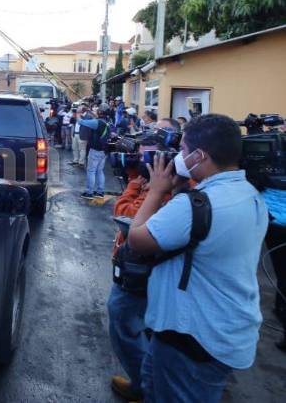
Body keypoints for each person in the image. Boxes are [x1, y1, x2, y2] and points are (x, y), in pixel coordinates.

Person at [128, 114, 269, 402]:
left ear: (199, 155)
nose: (178, 156)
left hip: (192, 336)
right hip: (223, 329)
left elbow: (137, 239)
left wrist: (156, 191)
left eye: (182, 150)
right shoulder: (249, 193)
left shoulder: (195, 205)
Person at [107, 118, 185, 401]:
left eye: (147, 157)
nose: (142, 162)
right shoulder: (154, 183)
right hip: (140, 267)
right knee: (146, 328)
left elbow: (125, 215)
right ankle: (145, 383)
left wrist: (139, 188)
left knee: (123, 320)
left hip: (142, 270)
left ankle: (144, 386)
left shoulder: (166, 190)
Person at [263, 187, 286, 351]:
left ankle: (281, 309)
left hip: (274, 220)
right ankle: (280, 307)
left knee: (283, 273)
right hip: (274, 219)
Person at [78, 109, 110, 199]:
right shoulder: (107, 122)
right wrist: (90, 112)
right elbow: (96, 118)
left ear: (99, 113)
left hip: (95, 150)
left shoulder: (97, 123)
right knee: (100, 171)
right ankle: (100, 192)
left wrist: (78, 113)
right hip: (104, 150)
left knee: (91, 171)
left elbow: (81, 121)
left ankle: (89, 192)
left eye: (96, 111)